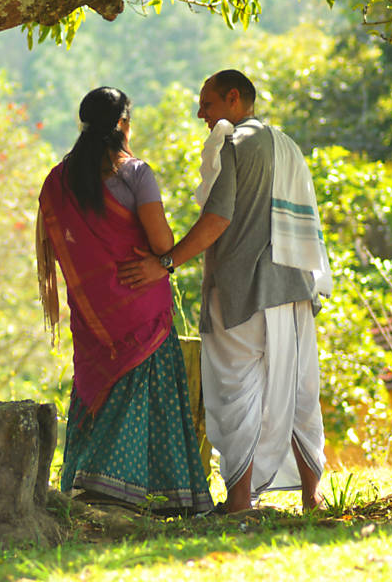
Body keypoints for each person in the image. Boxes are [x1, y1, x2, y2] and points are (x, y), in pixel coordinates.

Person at [117, 70, 330, 513]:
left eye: (207, 104)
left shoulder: (232, 143)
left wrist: (166, 263)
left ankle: (238, 502)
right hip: (292, 288)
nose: (201, 113)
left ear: (234, 99)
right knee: (298, 391)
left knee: (237, 393)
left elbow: (218, 219)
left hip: (242, 292)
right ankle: (312, 496)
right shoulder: (285, 143)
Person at [36, 87, 213, 515]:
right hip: (141, 306)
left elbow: (62, 249)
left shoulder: (59, 179)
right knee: (149, 397)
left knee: (99, 389)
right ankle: (160, 495)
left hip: (95, 315)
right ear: (122, 124)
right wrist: (165, 260)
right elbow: (162, 242)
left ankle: (92, 485)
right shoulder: (135, 173)